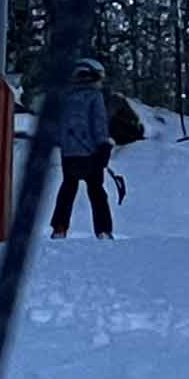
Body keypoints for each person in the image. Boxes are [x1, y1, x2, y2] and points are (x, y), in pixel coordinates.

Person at [49, 58, 114, 241]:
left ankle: (59, 228)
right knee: (96, 191)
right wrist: (103, 145)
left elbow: (59, 127)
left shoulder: (65, 98)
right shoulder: (94, 97)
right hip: (91, 154)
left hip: (69, 154)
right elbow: (98, 123)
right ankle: (103, 230)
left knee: (68, 189)